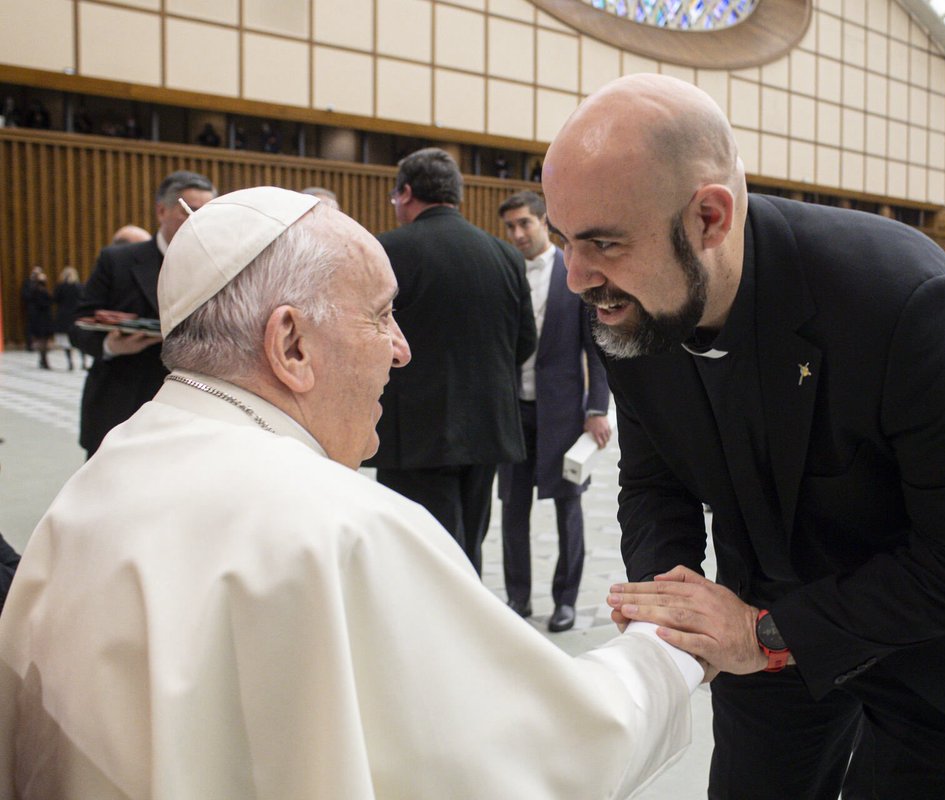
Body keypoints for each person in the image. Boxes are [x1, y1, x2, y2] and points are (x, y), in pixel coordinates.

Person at [0, 187, 704, 799]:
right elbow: (554, 753)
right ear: (291, 345)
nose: (400, 347)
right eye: (379, 315)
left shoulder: (97, 480)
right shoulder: (341, 527)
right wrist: (671, 649)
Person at [543, 74, 945, 798]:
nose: (576, 278)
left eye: (602, 243)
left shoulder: (905, 299)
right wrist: (670, 604)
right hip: (782, 585)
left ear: (710, 219)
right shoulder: (630, 300)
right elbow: (656, 479)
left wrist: (765, 634)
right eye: (564, 240)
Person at [369, 148, 536, 572]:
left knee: (419, 554)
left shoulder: (388, 250)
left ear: (406, 193)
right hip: (486, 424)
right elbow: (524, 342)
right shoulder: (505, 256)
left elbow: (368, 339)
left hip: (414, 430)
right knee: (468, 547)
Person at [496, 191, 612, 632]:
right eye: (510, 227)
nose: (518, 234)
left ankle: (566, 600)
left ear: (545, 222)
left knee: (569, 510)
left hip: (564, 414)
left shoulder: (573, 270)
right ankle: (517, 599)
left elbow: (597, 347)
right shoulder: (505, 270)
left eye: (525, 223)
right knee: (512, 510)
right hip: (513, 412)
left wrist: (597, 408)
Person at [71, 170, 216, 457]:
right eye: (189, 211)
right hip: (122, 405)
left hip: (190, 411)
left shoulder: (217, 264)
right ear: (162, 211)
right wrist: (111, 345)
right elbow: (77, 325)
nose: (198, 221)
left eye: (207, 212)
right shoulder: (118, 261)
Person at [53, 266, 86, 371]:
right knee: (81, 341)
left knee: (66, 341)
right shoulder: (79, 287)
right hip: (77, 316)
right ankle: (83, 362)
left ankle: (70, 362)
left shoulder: (60, 287)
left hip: (63, 316)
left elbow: (55, 300)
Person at [23, 267, 54, 369]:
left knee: (42, 340)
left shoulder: (36, 290)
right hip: (41, 318)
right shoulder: (37, 290)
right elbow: (44, 303)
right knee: (42, 340)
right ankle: (43, 360)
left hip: (40, 317)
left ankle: (43, 359)